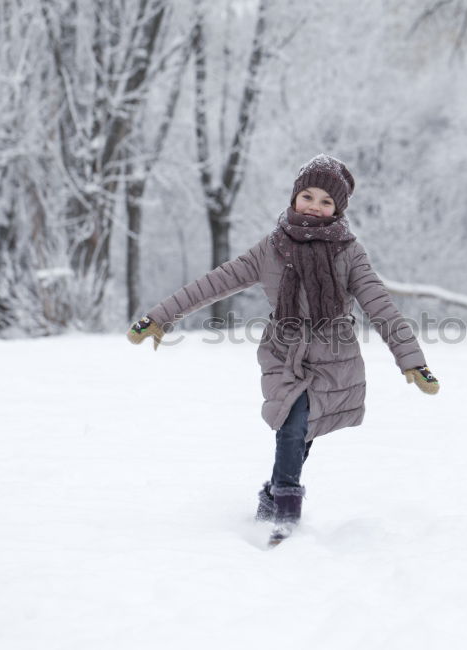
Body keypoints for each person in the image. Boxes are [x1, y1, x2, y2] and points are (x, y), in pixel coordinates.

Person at [128, 154, 439, 545]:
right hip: (283, 351)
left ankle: (273, 500)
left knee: (300, 432)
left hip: (332, 355)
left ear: (338, 209)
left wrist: (412, 361)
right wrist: (161, 316)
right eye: (307, 195)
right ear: (294, 198)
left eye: (326, 201)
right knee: (292, 424)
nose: (314, 205)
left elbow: (379, 304)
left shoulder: (349, 252)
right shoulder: (271, 249)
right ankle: (285, 518)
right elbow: (214, 283)